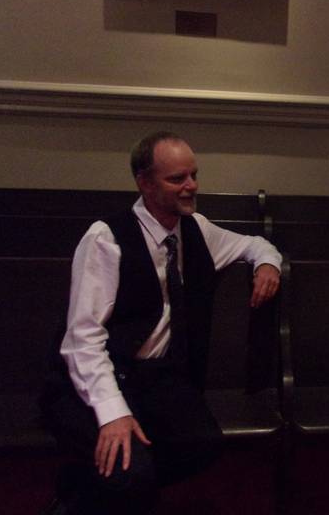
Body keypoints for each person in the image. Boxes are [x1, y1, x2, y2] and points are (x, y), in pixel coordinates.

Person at [40, 131, 282, 514]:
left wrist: (268, 264)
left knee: (204, 444)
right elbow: (82, 339)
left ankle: (90, 487)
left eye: (194, 175)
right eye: (177, 179)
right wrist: (113, 412)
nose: (191, 187)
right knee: (130, 470)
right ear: (144, 183)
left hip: (158, 379)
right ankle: (89, 497)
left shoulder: (197, 230)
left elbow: (257, 244)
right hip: (98, 377)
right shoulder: (106, 238)